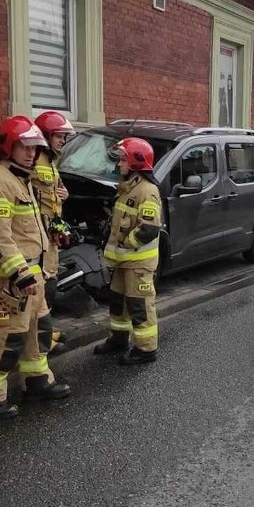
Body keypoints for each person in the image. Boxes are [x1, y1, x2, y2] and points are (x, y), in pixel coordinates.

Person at [0, 116, 71, 419]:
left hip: (32, 278)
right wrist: (20, 273)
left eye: (35, 148)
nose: (31, 153)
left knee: (37, 332)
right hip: (8, 283)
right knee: (5, 340)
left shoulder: (22, 179)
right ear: (8, 146)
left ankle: (37, 383)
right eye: (24, 147)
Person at [93, 137, 162, 365]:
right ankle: (118, 339)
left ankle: (146, 349)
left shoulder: (147, 191)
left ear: (135, 162)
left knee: (139, 306)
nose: (118, 164)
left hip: (138, 263)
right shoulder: (126, 188)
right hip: (124, 262)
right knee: (118, 302)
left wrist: (125, 244)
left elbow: (149, 229)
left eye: (123, 159)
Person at [32, 111, 75, 356]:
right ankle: (41, 338)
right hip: (39, 234)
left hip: (51, 233)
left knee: (50, 281)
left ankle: (45, 330)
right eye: (59, 136)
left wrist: (64, 194)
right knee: (45, 284)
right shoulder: (35, 159)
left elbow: (53, 190)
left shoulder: (49, 160)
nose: (63, 141)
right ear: (46, 135)